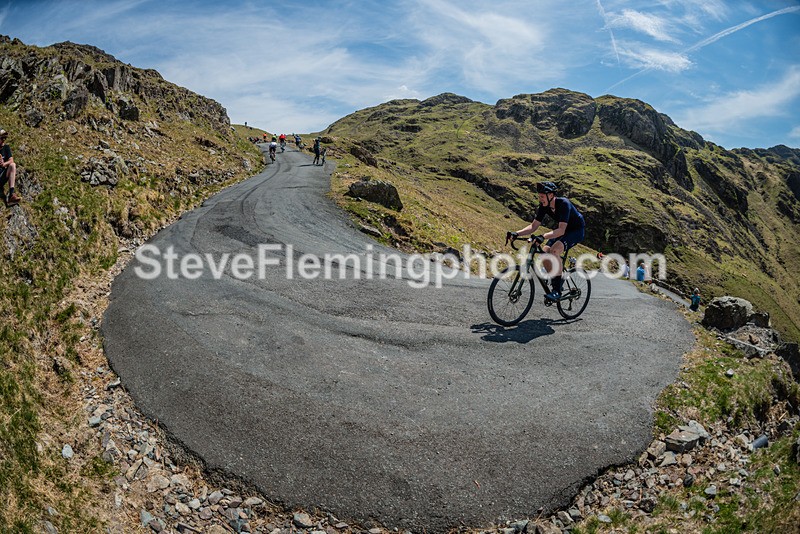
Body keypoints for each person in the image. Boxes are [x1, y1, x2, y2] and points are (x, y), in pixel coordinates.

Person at [506, 181, 585, 301]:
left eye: (542, 196)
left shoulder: (564, 203)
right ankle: (556, 282)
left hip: (575, 231)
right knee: (544, 253)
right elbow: (533, 226)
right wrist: (517, 233)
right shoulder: (544, 207)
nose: (540, 199)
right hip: (560, 230)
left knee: (554, 251)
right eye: (539, 196)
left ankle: (557, 291)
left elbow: (562, 230)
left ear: (551, 195)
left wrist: (543, 236)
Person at [0, 129, 20, 206]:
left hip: (2, 176)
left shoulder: (6, 147)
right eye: (2, 138)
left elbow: (11, 160)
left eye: (5, 138)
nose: (3, 140)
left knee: (13, 165)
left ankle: (11, 194)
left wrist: (4, 164)